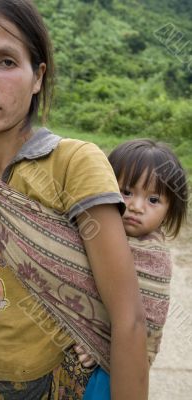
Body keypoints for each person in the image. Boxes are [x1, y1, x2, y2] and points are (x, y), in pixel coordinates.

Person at [0, 1, 149, 399]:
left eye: (7, 62)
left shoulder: (73, 164)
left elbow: (128, 319)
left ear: (37, 76)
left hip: (69, 384)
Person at [83, 138, 188, 400]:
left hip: (113, 367)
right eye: (126, 192)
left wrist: (100, 346)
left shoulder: (153, 258)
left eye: (153, 199)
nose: (136, 207)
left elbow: (145, 324)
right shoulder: (95, 233)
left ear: (170, 209)